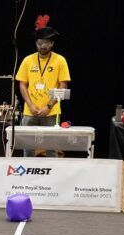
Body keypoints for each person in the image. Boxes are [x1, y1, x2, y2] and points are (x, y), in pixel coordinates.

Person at [15, 19, 71, 156]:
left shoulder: (60, 60)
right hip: (30, 111)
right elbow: (22, 84)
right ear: (36, 44)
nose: (42, 46)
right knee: (27, 146)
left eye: (46, 43)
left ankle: (51, 173)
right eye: (39, 43)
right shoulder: (28, 60)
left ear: (52, 44)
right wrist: (31, 105)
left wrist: (48, 106)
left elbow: (63, 85)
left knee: (51, 146)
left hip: (51, 111)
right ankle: (27, 172)